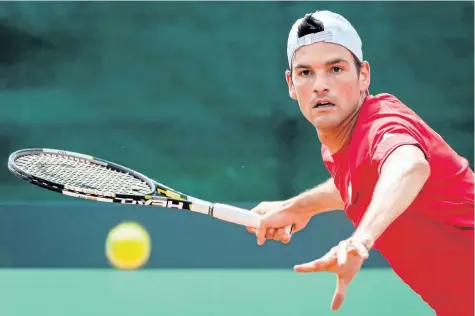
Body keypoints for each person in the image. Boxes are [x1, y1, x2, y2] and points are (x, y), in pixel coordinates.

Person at [246, 10, 474, 316]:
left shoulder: (385, 126)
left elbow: (409, 166)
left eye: (336, 69)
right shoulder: (340, 146)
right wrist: (299, 207)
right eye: (305, 73)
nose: (320, 86)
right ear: (290, 83)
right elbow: (362, 179)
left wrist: (360, 240)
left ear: (363, 74)